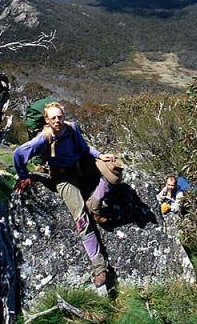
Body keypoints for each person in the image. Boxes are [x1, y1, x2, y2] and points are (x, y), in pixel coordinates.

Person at [13, 101, 121, 288]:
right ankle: (99, 266)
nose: (57, 120)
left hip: (81, 165)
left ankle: (94, 204)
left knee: (115, 167)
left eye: (60, 116)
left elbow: (84, 148)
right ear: (47, 120)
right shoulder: (43, 138)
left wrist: (100, 155)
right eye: (53, 118)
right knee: (80, 218)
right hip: (63, 176)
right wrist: (24, 176)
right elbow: (18, 154)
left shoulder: (71, 128)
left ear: (64, 116)